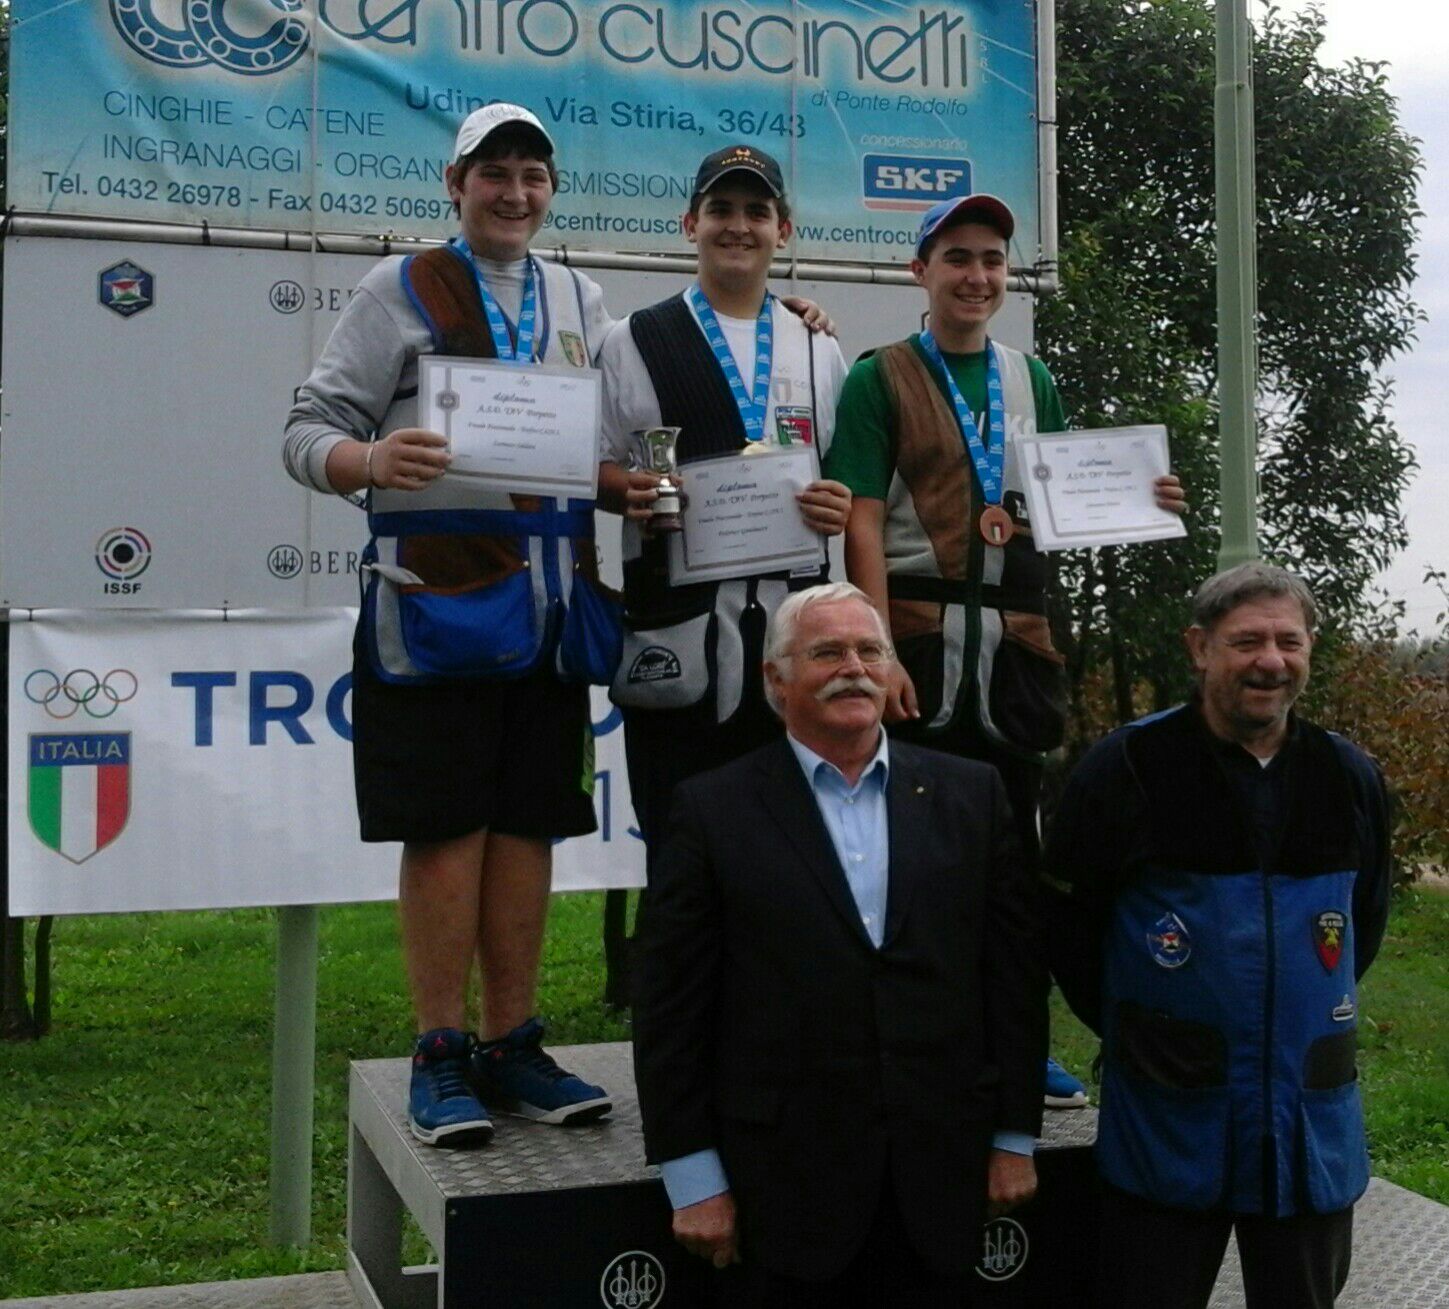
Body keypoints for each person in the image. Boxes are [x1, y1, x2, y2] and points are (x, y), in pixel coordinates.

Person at [282, 103, 623, 1145]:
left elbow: (602, 440)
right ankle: (441, 1051)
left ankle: (512, 1041)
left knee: (528, 826)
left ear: (550, 190)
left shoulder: (580, 297)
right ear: (456, 182)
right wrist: (373, 462)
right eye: (495, 174)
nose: (514, 193)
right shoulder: (402, 285)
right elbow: (307, 431)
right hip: (434, 611)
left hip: (550, 610)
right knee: (446, 830)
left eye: (533, 176)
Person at [823, 192, 1186, 1108]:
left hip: (1015, 651)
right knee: (908, 855)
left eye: (990, 259)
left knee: (1010, 865)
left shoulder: (1034, 379)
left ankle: (1016, 1041)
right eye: (957, 257)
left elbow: (1060, 506)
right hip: (917, 643)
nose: (976, 275)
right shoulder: (878, 376)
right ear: (920, 271)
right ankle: (912, 1044)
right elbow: (859, 521)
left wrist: (1143, 499)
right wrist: (872, 653)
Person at [632, 582, 1047, 1303]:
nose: (852, 667)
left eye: (869, 650)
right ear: (775, 678)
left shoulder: (972, 795)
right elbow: (668, 1006)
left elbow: (1011, 980)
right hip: (784, 1186)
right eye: (826, 652)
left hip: (942, 1178)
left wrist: (1015, 1135)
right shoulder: (710, 809)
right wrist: (691, 1176)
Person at [1041, 562, 1392, 1309]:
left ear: (1309, 648)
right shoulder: (1128, 765)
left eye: (1287, 640)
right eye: (1246, 641)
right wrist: (1139, 1026)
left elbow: (1361, 925)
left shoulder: (1347, 774)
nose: (1270, 660)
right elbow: (1069, 930)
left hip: (1306, 1126)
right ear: (1198, 648)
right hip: (1169, 1125)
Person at [596, 144, 852, 869]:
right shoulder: (632, 339)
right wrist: (627, 490)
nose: (738, 226)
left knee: (792, 853)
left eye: (756, 211)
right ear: (689, 223)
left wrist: (832, 500)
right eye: (721, 210)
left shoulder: (814, 345)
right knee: (679, 850)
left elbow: (836, 477)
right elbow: (592, 468)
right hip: (678, 631)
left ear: (784, 229)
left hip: (788, 635)